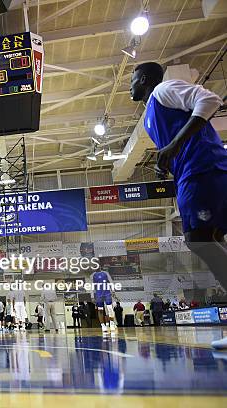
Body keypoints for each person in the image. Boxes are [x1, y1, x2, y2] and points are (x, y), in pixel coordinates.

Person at [130, 61, 226, 348]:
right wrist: (167, 159)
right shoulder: (150, 115)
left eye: (133, 80)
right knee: (212, 239)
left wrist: (173, 146)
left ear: (144, 79)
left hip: (202, 169)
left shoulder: (163, 90)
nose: (130, 86)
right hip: (192, 172)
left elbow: (209, 100)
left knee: (199, 240)